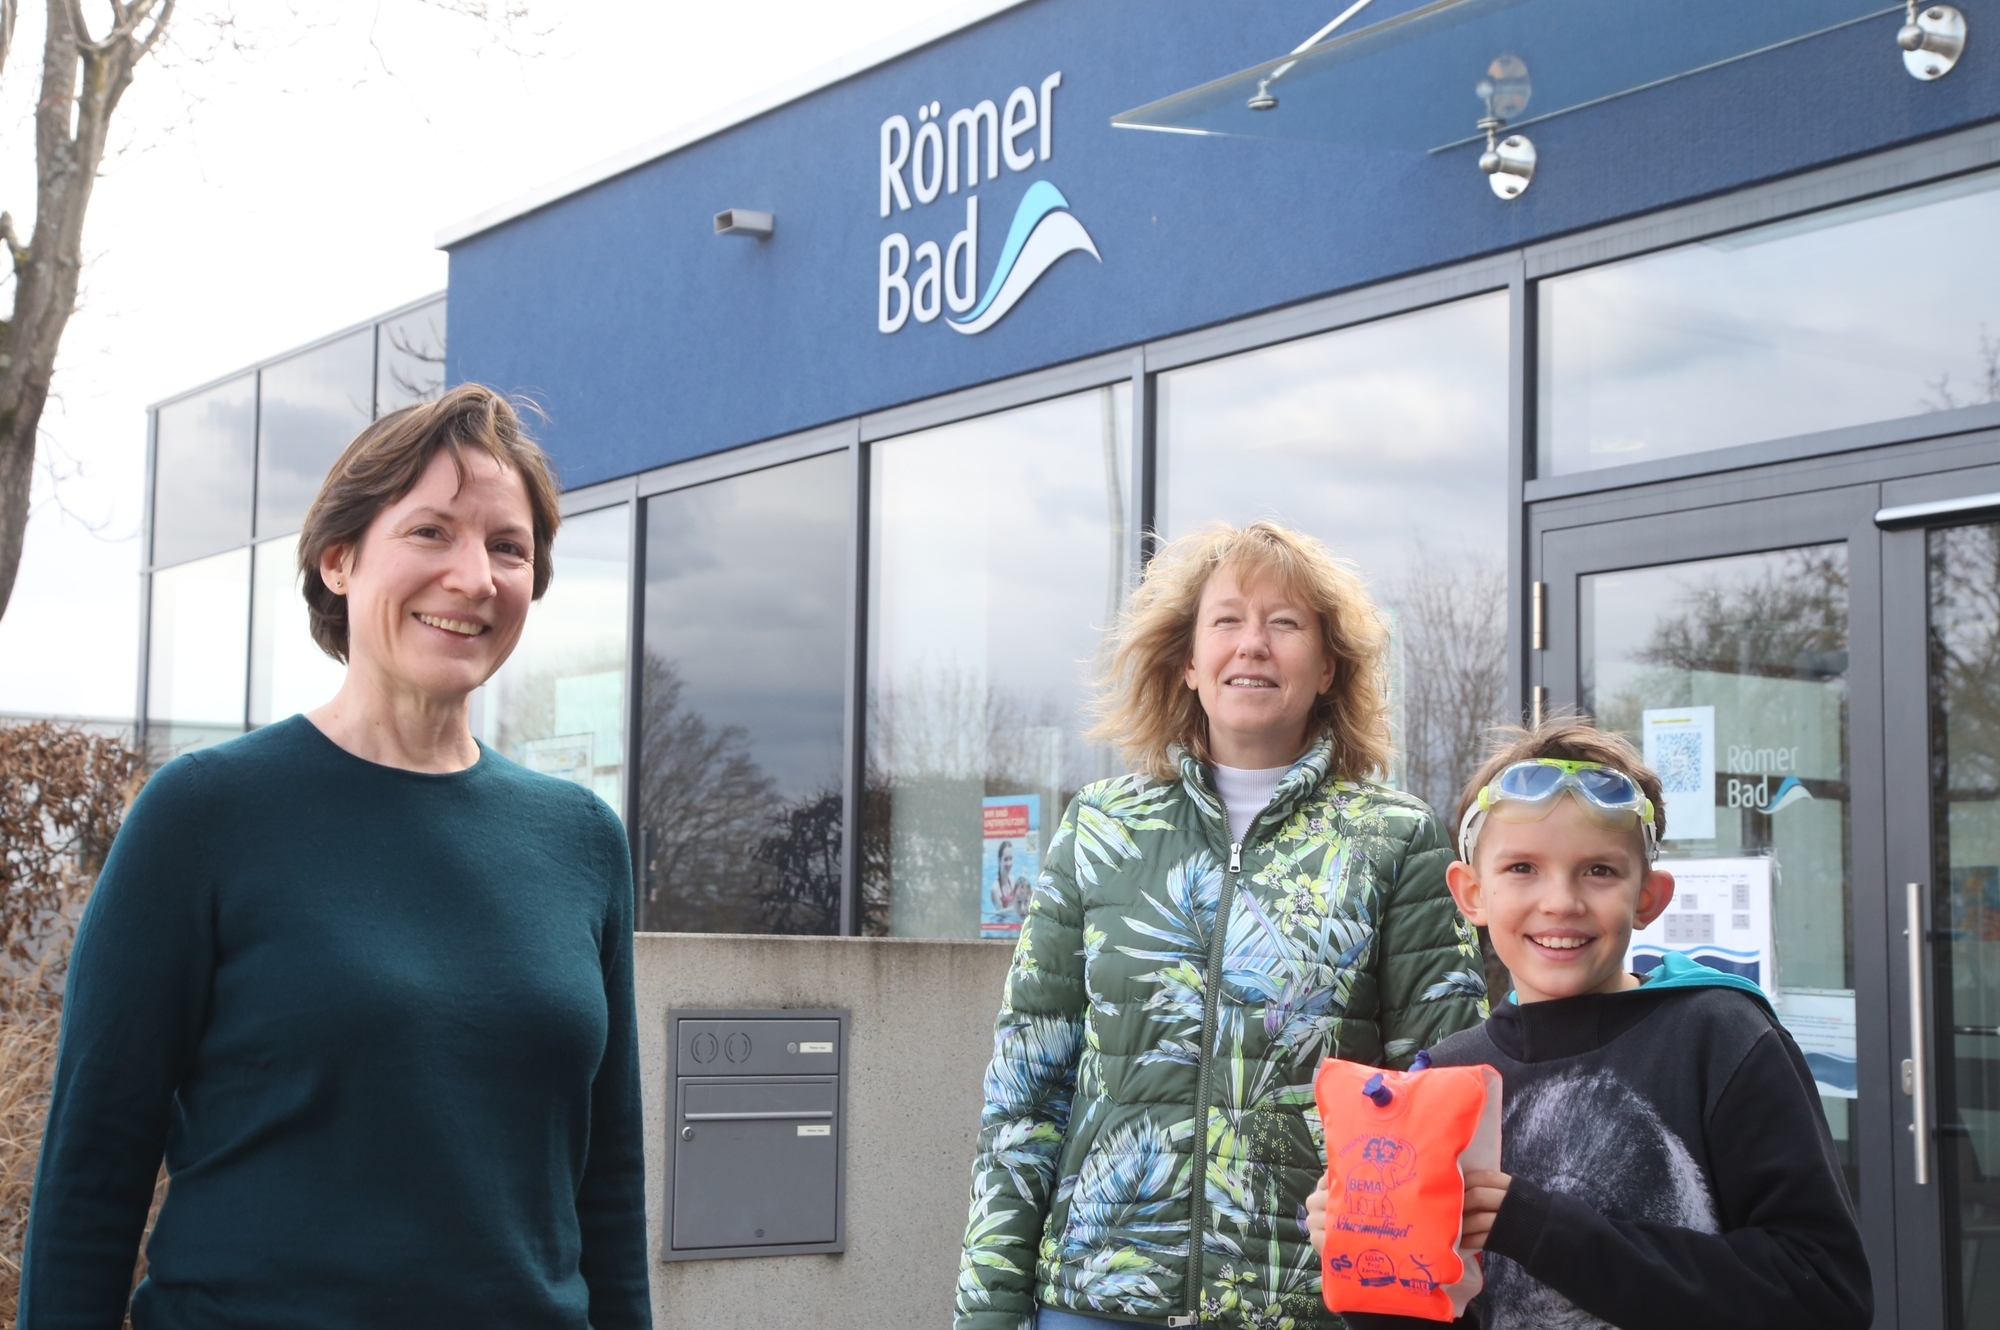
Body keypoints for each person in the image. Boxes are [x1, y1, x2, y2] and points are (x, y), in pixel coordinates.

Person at [21, 386, 651, 1329]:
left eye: (508, 547)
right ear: (340, 559)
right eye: (431, 532)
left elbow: (608, 1187)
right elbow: (93, 1166)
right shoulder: (204, 814)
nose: (474, 577)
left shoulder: (580, 839)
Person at [954, 521, 1489, 1330]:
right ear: (1188, 662)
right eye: (1228, 620)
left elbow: (1440, 1093)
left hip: (1309, 1302)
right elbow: (1025, 1092)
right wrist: (989, 1310)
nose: (1254, 644)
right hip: (1098, 1300)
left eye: (1286, 623)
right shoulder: (1101, 829)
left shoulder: (1396, 839)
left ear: (1328, 666)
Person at [1307, 721, 1871, 1330]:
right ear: (1471, 894)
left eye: (1599, 870)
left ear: (1648, 897)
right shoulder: (1448, 1076)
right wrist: (1368, 1258)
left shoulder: (1720, 1039)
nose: (1561, 902)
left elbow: (1826, 1294)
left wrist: (1540, 1228)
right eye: (1522, 867)